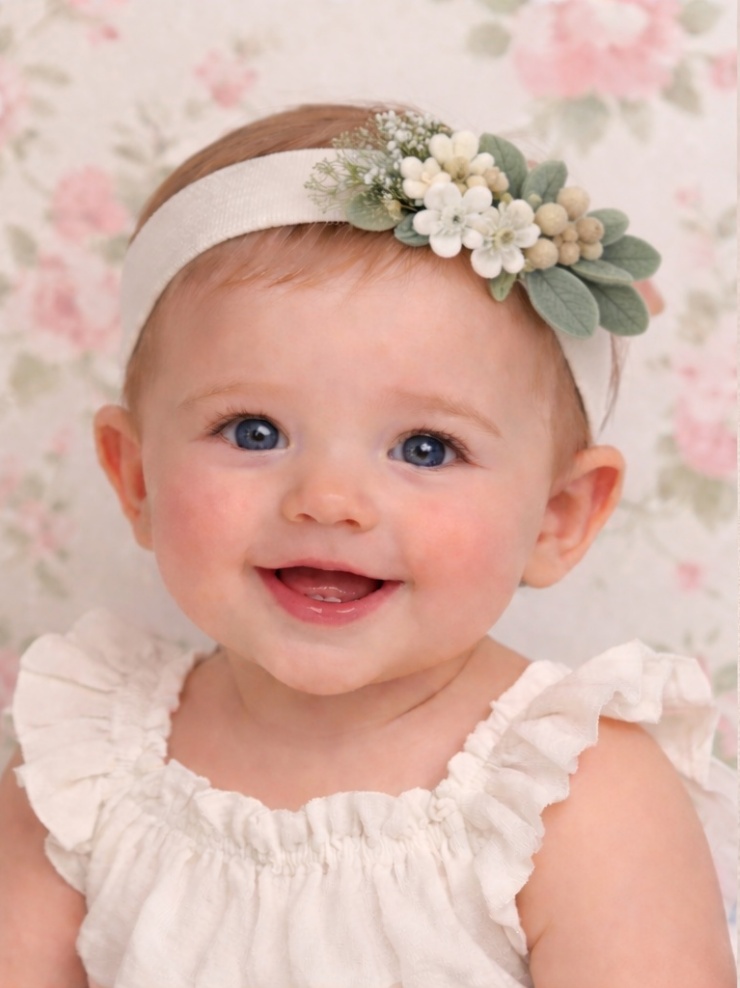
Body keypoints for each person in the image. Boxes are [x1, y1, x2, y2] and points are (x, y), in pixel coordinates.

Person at [0, 103, 735, 988]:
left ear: (558, 517)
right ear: (137, 478)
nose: (329, 501)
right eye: (253, 430)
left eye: (427, 448)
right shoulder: (84, 765)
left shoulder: (572, 799)